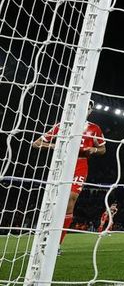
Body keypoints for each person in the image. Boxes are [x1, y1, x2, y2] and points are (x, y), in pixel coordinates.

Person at [32, 100, 106, 247]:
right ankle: (44, 237)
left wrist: (94, 150)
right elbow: (36, 143)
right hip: (62, 164)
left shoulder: (94, 128)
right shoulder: (63, 125)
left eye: (89, 108)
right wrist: (55, 146)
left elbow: (103, 149)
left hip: (80, 164)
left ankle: (56, 244)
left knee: (70, 200)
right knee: (53, 202)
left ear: (91, 111)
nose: (86, 109)